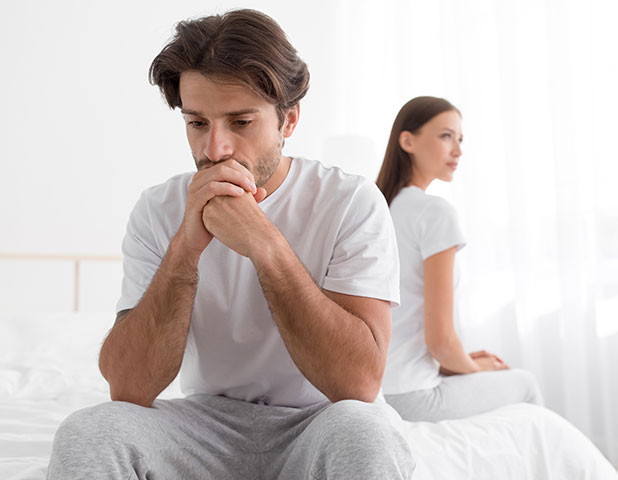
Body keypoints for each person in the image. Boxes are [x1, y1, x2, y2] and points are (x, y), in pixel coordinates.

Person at [46, 10, 414, 479]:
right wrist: (185, 248)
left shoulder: (349, 201)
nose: (214, 149)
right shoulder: (157, 209)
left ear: (289, 120)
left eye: (240, 122)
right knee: (89, 431)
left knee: (367, 432)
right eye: (197, 123)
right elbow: (129, 388)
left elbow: (358, 384)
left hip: (321, 422)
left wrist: (266, 245)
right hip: (206, 425)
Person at [376, 96, 543, 422]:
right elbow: (440, 343)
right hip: (412, 394)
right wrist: (476, 368)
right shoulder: (434, 212)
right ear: (407, 141)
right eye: (446, 136)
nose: (458, 150)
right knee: (525, 384)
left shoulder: (379, 210)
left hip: (377, 389)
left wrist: (460, 362)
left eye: (460, 139)